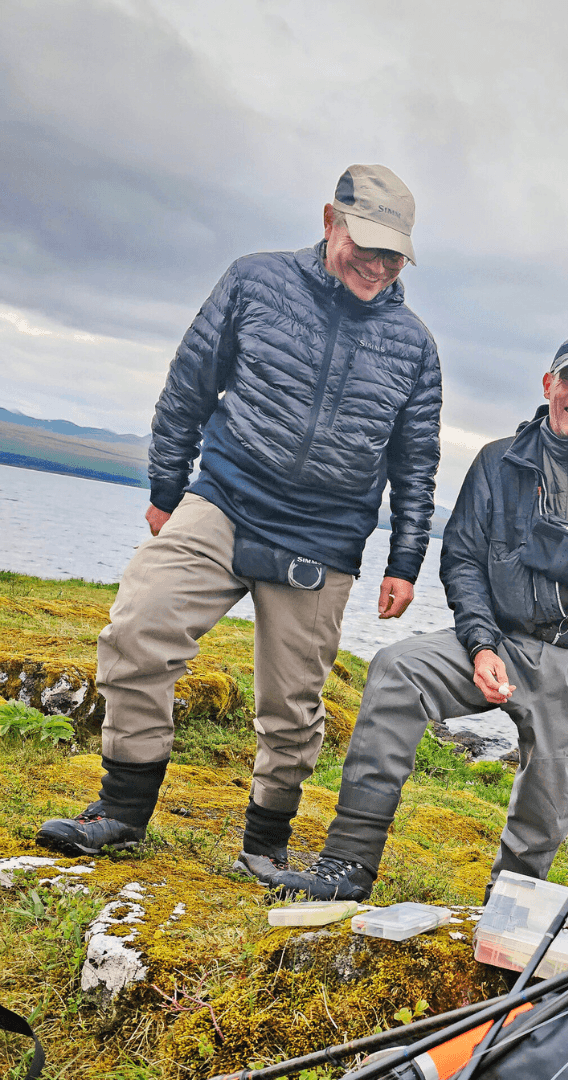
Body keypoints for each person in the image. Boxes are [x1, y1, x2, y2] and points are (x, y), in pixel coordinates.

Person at [36, 165, 442, 881]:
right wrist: (167, 485)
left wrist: (405, 562)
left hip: (323, 539)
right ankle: (121, 812)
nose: (378, 265)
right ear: (329, 220)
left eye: (394, 254)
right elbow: (190, 382)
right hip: (224, 496)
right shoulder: (254, 281)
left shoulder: (415, 346)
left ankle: (265, 846)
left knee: (292, 710)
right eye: (367, 244)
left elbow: (416, 463)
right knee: (137, 627)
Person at [270, 319, 568, 902]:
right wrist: (480, 646)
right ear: (549, 383)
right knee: (397, 670)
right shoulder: (497, 462)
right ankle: (346, 866)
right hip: (498, 641)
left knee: (547, 809)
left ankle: (505, 910)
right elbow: (461, 560)